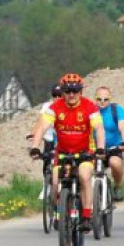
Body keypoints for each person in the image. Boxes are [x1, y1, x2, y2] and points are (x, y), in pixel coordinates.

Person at [29, 74, 104, 233]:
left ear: (81, 91)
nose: (71, 94)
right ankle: (58, 213)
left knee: (84, 176)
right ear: (62, 92)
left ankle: (86, 215)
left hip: (85, 152)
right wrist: (35, 147)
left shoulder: (89, 106)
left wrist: (100, 148)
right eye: (67, 91)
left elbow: (99, 128)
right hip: (63, 153)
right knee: (55, 181)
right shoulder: (55, 108)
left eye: (75, 91)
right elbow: (42, 127)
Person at [26, 84, 63, 200]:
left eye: (60, 95)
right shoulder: (47, 106)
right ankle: (46, 185)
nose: (57, 98)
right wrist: (33, 133)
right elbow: (40, 122)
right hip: (50, 135)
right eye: (54, 96)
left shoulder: (67, 107)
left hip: (62, 136)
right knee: (47, 159)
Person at [94, 86, 124, 201]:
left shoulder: (117, 110)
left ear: (110, 99)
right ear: (95, 99)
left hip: (113, 148)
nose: (102, 102)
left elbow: (123, 127)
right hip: (95, 148)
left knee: (115, 163)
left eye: (106, 99)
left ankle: (118, 186)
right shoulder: (91, 110)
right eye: (99, 99)